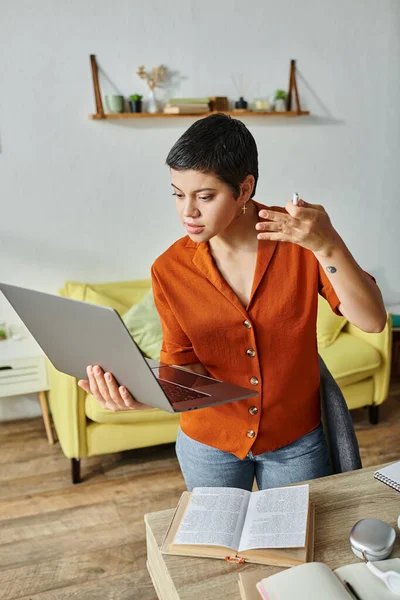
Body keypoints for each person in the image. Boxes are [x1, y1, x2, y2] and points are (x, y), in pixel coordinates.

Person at [78, 114, 386, 492]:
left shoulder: (301, 242)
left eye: (204, 196)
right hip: (208, 443)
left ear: (244, 189)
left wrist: (327, 244)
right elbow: (185, 368)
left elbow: (372, 321)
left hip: (295, 442)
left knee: (296, 547)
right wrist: (140, 396)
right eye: (177, 193)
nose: (187, 211)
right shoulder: (169, 269)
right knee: (218, 550)